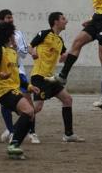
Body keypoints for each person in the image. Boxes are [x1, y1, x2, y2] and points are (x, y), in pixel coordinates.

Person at [29, 12, 84, 143]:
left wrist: (77, 47)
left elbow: (63, 57)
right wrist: (33, 52)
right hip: (39, 76)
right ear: (56, 22)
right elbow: (30, 46)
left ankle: (68, 134)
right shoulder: (44, 34)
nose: (66, 21)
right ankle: (25, 131)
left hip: (51, 78)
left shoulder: (60, 41)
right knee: (37, 108)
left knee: (67, 99)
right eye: (63, 19)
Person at [0, 22, 40, 159]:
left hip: (13, 89)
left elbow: (16, 75)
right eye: (12, 34)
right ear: (7, 36)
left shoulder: (12, 52)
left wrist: (29, 87)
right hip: (3, 91)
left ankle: (14, 143)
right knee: (28, 111)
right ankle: (14, 144)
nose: (14, 37)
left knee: (30, 114)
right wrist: (0, 76)